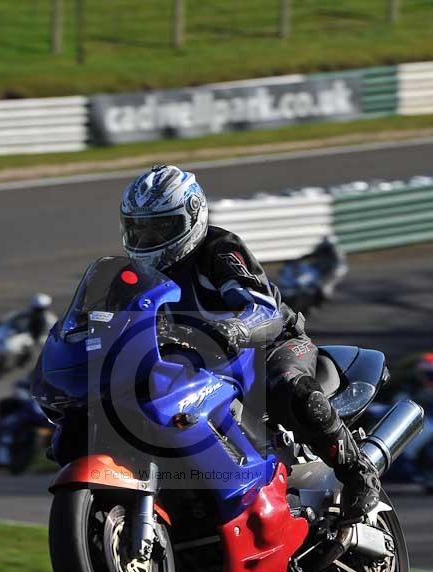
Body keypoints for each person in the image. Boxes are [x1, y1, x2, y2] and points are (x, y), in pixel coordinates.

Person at [117, 164, 380, 523]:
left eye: (160, 229)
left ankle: (358, 472)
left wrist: (237, 328)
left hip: (266, 345)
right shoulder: (134, 277)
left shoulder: (218, 250)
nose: (148, 240)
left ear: (191, 217)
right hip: (198, 366)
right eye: (139, 230)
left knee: (288, 384)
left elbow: (263, 308)